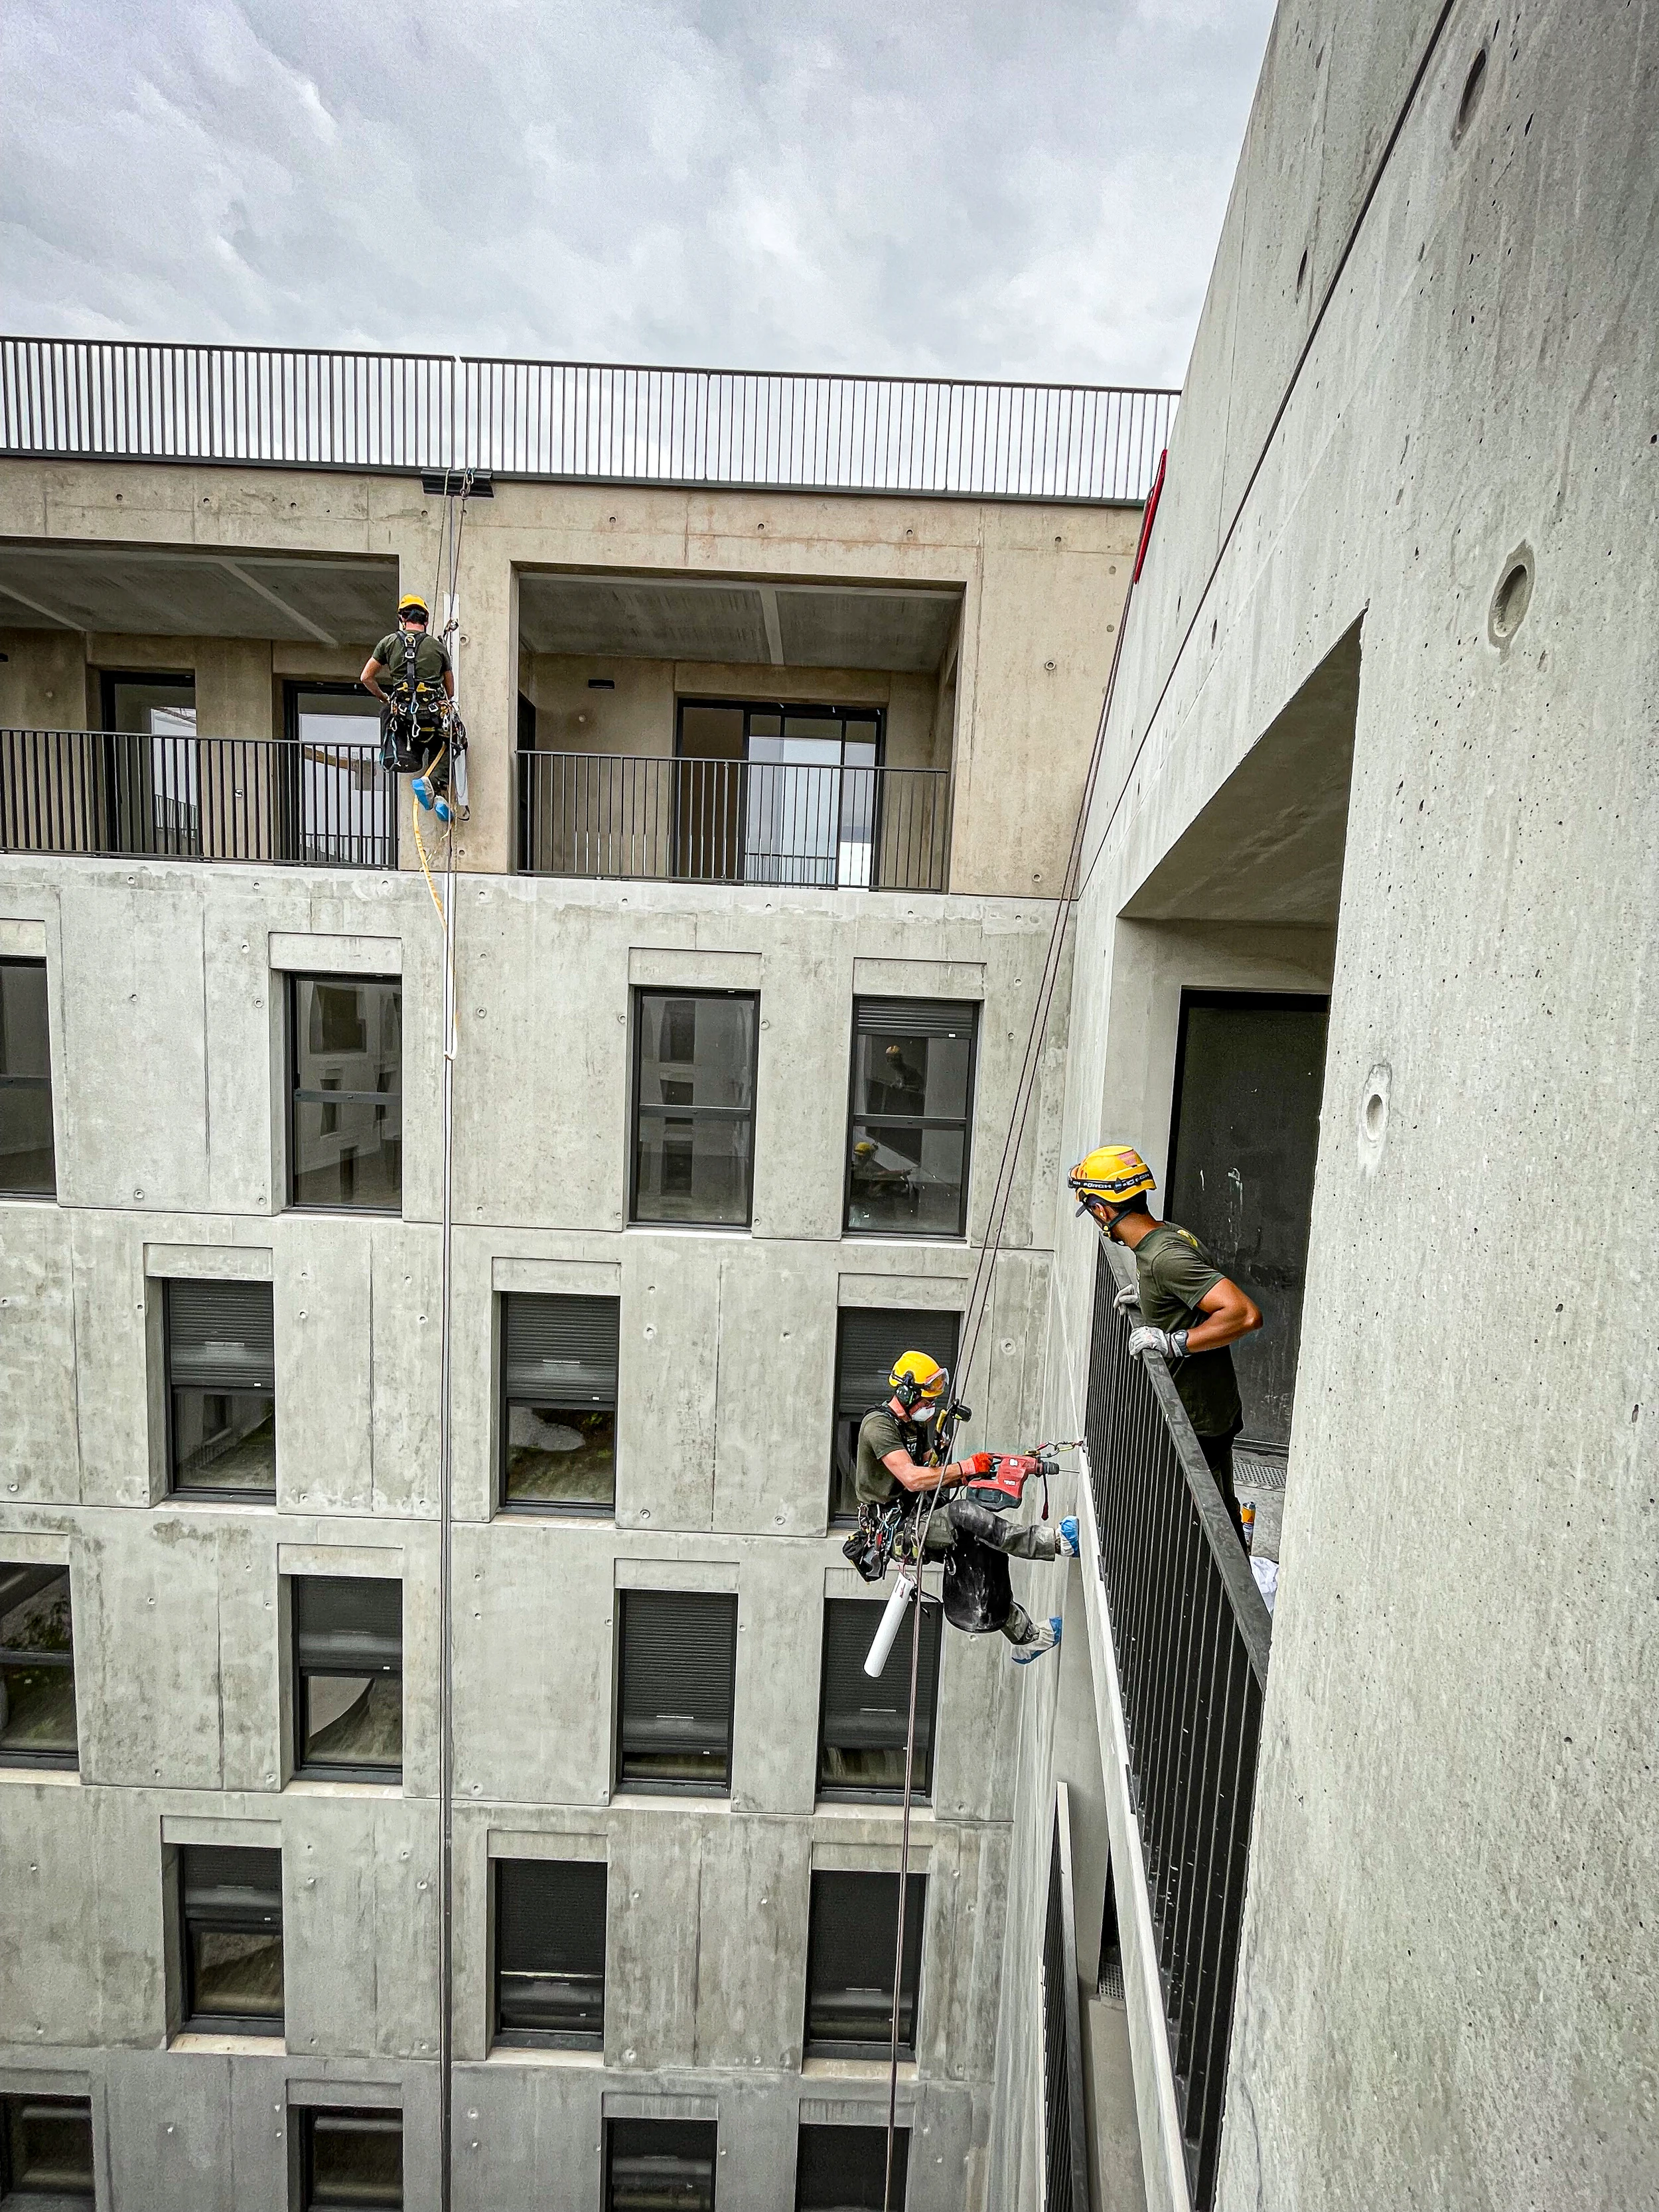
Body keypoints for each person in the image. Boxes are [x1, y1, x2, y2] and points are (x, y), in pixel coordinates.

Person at [1068, 1144, 1263, 1547]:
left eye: (1090, 1209)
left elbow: (1244, 1314)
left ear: (1103, 1210)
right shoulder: (1165, 1237)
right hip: (1210, 1408)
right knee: (1213, 1507)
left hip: (1199, 1419)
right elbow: (1186, 1292)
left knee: (1203, 1526)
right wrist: (1151, 1299)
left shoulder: (1163, 1257)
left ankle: (1229, 1574)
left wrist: (1174, 1342)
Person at [854, 1351, 1078, 1663]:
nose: (931, 1407)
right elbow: (913, 1479)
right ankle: (1056, 1543)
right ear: (906, 1393)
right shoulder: (878, 1427)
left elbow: (930, 1474)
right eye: (927, 1400)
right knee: (964, 1516)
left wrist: (958, 1460)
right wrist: (965, 1467)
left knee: (981, 1540)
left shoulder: (914, 1425)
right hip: (897, 1530)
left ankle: (1028, 1639)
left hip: (918, 1511)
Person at [360, 593, 461, 820]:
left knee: (419, 742)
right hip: (432, 716)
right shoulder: (436, 647)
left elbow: (366, 677)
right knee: (452, 741)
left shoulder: (387, 643)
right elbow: (451, 690)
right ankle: (433, 783)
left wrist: (384, 697)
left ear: (402, 618)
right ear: (425, 620)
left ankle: (437, 795)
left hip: (403, 719)